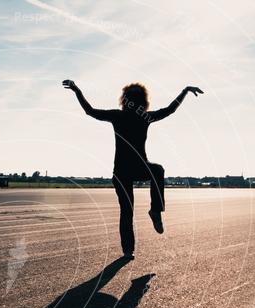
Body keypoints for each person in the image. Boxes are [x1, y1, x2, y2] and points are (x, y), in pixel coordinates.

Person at [63, 80, 203, 259]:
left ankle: (128, 250)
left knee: (127, 211)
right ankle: (155, 211)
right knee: (157, 171)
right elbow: (170, 110)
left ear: (124, 99)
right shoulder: (143, 116)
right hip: (138, 168)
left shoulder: (118, 116)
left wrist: (77, 91)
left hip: (121, 171)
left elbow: (90, 111)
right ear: (144, 100)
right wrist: (185, 91)